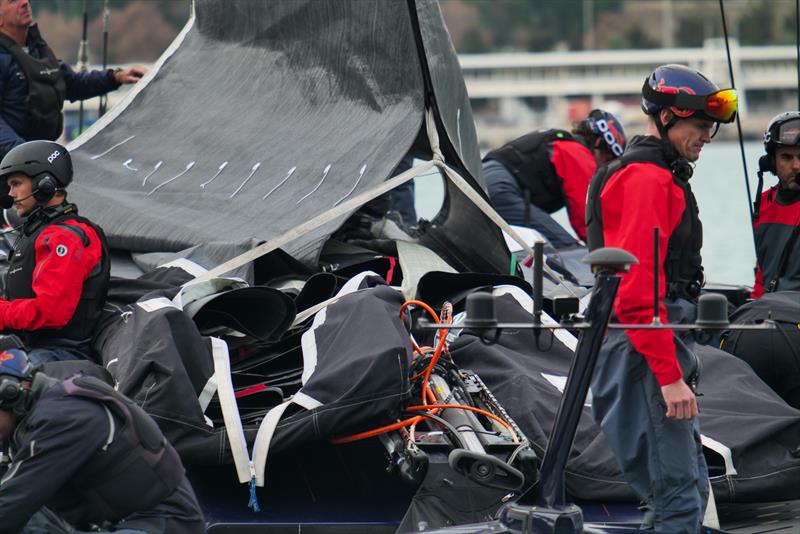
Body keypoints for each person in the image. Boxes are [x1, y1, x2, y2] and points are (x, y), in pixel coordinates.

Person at [585, 64, 737, 532]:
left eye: (711, 127)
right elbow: (634, 292)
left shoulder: (660, 174)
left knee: (687, 484)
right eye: (700, 125)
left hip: (653, 338)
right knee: (673, 491)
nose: (707, 136)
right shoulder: (647, 180)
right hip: (644, 345)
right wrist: (668, 377)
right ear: (668, 116)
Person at [0, 345, 205, 533]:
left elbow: (14, 501)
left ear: (10, 394)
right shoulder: (32, 417)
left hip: (160, 523)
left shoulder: (65, 417)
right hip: (113, 522)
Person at [0, 140, 110, 364]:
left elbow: (50, 312)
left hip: (57, 354)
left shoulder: (64, 237)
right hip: (28, 345)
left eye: (16, 183)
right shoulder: (40, 231)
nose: (11, 193)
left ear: (45, 184)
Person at [0, 0, 147, 158]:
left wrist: (116, 77)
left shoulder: (37, 49)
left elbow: (72, 83)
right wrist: (23, 154)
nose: (24, 2)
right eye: (12, 1)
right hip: (11, 166)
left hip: (42, 160)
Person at [482, 109, 626, 248]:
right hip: (501, 186)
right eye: (607, 160)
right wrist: (604, 254)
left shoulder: (564, 144)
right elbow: (585, 219)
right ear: (598, 142)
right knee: (568, 249)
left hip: (482, 179)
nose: (604, 169)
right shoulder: (578, 154)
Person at [751, 111, 800, 297]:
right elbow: (761, 276)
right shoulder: (763, 203)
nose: (796, 166)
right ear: (772, 163)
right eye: (787, 157)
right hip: (768, 311)